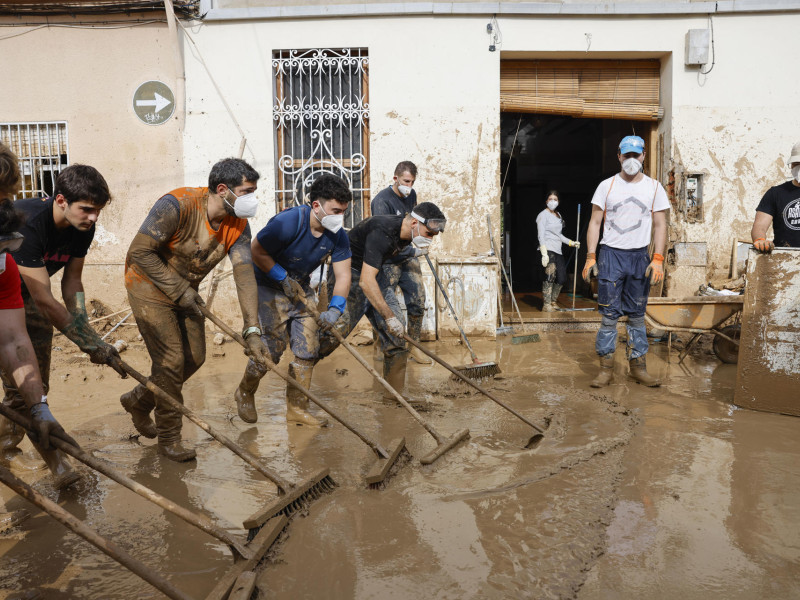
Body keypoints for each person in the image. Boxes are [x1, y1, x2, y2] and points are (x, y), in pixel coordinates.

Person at [121, 158, 268, 462]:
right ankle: (169, 439)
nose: (253, 198)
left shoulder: (239, 224)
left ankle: (139, 399)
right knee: (172, 361)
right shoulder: (177, 205)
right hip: (148, 286)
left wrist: (252, 329)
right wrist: (177, 289)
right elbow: (139, 252)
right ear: (223, 189)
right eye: (247, 191)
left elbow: (243, 274)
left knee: (195, 358)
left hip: (186, 293)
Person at [1, 159, 124, 486]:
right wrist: (85, 343)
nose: (94, 217)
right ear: (60, 201)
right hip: (17, 295)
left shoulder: (84, 226)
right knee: (21, 386)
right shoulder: (25, 224)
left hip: (22, 299)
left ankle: (5, 450)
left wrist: (88, 333)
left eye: (98, 210)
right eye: (86, 209)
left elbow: (72, 284)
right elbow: (44, 298)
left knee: (31, 386)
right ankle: (57, 463)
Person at [232, 173, 352, 427]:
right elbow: (256, 250)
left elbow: (342, 275)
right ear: (316, 206)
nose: (340, 217)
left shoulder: (337, 235)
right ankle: (245, 390)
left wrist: (335, 309)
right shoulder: (288, 222)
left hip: (300, 289)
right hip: (267, 286)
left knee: (308, 350)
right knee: (271, 351)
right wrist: (281, 277)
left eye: (343, 212)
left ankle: (297, 409)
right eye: (335, 210)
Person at [319, 202, 446, 399]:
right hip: (349, 273)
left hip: (374, 274)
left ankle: (394, 397)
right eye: (429, 234)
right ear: (414, 223)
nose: (430, 240)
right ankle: (300, 374)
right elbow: (365, 283)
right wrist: (389, 317)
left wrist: (393, 319)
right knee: (333, 334)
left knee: (397, 337)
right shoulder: (382, 231)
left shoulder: (406, 234)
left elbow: (373, 275)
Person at [582, 135, 669, 388]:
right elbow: (595, 222)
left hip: (639, 256)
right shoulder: (606, 186)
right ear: (619, 156)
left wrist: (658, 258)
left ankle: (638, 368)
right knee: (609, 317)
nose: (631, 160)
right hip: (611, 255)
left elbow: (660, 224)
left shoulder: (654, 187)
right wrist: (590, 256)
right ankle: (606, 370)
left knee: (637, 316)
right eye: (627, 155)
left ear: (643, 156)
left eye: (636, 155)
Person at [369, 161, 432, 365]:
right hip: (389, 258)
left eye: (412, 182)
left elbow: (414, 223)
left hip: (407, 255)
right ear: (395, 178)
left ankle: (414, 347)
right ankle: (381, 343)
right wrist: (414, 250)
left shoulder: (411, 195)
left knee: (417, 300)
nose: (409, 186)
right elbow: (384, 237)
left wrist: (421, 239)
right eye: (406, 181)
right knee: (385, 303)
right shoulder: (381, 201)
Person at [751, 141, 800, 252]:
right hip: (783, 259)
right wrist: (760, 239)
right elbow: (760, 225)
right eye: (797, 164)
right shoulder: (776, 193)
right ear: (791, 165)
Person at [536, 190, 580, 312]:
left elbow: (559, 235)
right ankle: (546, 304)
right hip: (547, 248)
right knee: (550, 275)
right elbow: (541, 235)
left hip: (558, 249)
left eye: (555, 199)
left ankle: (553, 301)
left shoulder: (558, 215)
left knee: (561, 278)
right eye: (550, 199)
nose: (553, 201)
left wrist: (572, 242)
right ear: (546, 201)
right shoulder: (542, 215)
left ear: (558, 201)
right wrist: (544, 253)